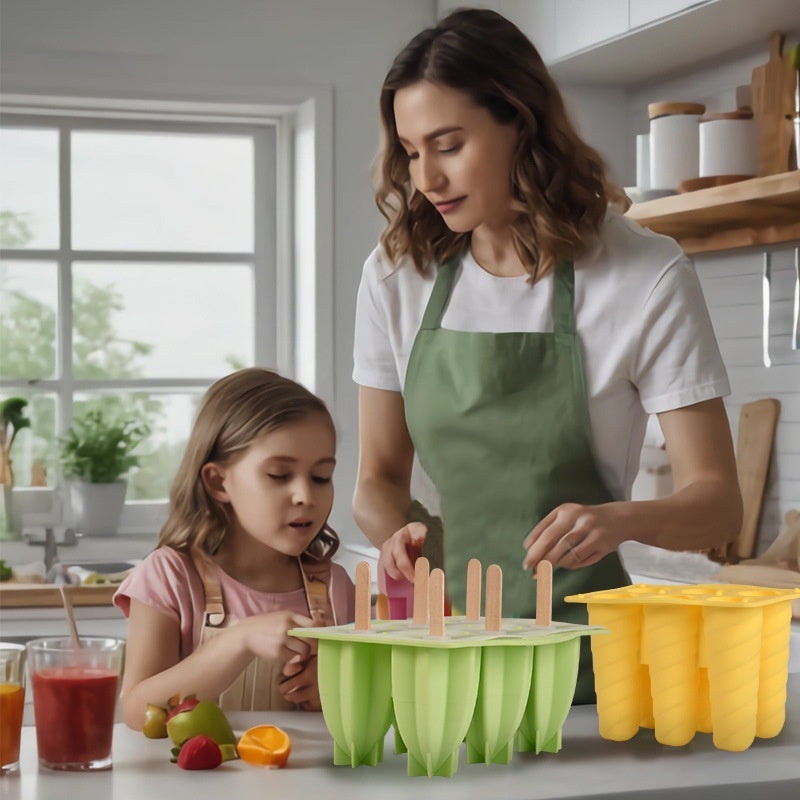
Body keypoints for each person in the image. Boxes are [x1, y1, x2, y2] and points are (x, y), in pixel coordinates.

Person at [352, 8, 741, 703]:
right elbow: (377, 480)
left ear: (520, 122)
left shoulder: (641, 274)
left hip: (593, 669)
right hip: (452, 657)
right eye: (411, 152)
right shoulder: (396, 276)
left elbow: (717, 507)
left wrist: (618, 520)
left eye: (448, 145)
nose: (427, 180)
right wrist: (405, 539)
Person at [115, 368, 355, 729]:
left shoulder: (334, 586)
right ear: (218, 482)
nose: (306, 496)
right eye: (279, 475)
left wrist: (336, 688)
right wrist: (239, 641)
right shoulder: (169, 577)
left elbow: (365, 712)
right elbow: (137, 713)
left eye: (321, 476)